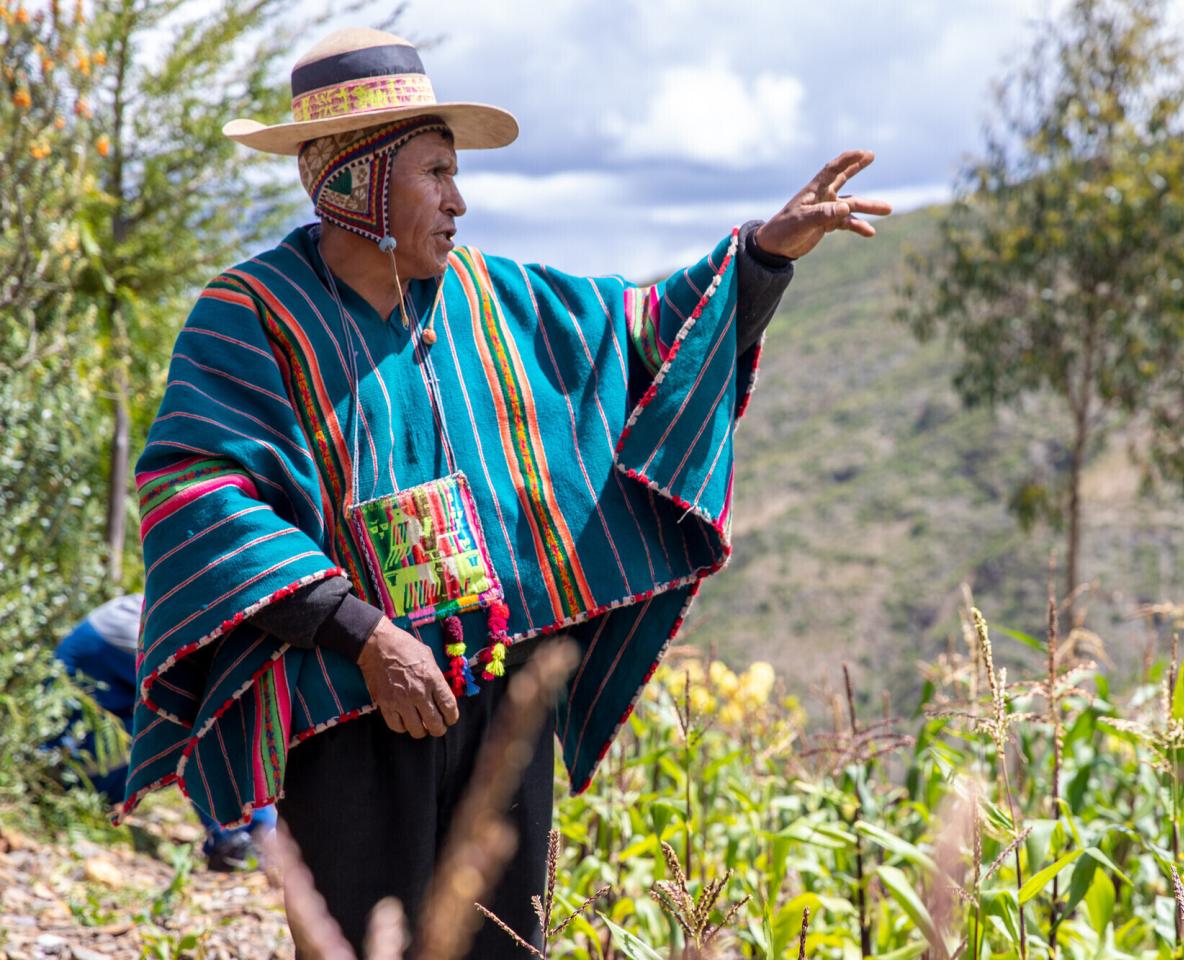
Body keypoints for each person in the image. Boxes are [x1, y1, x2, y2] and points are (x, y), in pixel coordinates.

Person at [119, 26, 889, 956]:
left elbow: (647, 339)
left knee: (499, 940)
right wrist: (362, 633)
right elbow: (196, 490)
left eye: (454, 173)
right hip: (348, 702)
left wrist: (765, 255)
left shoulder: (498, 298)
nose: (459, 201)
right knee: (367, 944)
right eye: (435, 173)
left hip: (498, 689)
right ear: (357, 182)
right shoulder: (252, 318)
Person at [55, 594, 276, 871]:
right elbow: (204, 717)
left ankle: (251, 831)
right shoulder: (140, 630)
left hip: (85, 766)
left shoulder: (177, 611)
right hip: (74, 776)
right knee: (197, 730)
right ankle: (241, 837)